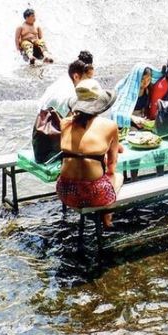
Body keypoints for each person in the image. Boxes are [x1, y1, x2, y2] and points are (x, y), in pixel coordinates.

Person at [56, 79, 122, 228]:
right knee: (116, 176)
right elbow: (112, 165)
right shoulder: (110, 126)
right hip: (94, 194)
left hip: (65, 191)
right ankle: (107, 217)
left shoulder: (64, 123)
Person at [110, 64, 154, 132]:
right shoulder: (125, 91)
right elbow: (115, 113)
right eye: (142, 79)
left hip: (140, 121)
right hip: (125, 122)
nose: (145, 83)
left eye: (148, 80)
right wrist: (132, 118)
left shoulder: (147, 90)